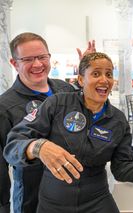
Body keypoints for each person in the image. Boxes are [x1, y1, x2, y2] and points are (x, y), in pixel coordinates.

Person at [4, 52, 133, 213]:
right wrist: (38, 147)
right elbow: (13, 144)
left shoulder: (118, 120)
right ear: (81, 80)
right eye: (96, 73)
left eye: (108, 74)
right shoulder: (57, 104)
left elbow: (122, 168)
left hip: (97, 201)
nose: (104, 79)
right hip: (53, 203)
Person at [0, 32, 95, 213]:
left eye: (42, 57)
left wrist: (88, 73)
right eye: (28, 59)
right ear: (14, 63)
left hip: (75, 194)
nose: (37, 64)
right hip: (34, 200)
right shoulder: (4, 107)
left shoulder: (64, 89)